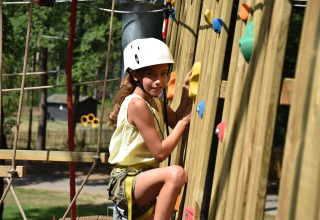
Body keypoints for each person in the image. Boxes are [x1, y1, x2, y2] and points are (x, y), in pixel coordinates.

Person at [107, 38, 192, 220]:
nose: (158, 81)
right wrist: (184, 123)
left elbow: (175, 119)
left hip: (143, 178)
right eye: (151, 74)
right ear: (136, 75)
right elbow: (160, 152)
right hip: (126, 179)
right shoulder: (137, 104)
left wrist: (186, 91)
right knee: (175, 174)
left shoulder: (153, 102)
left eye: (163, 73)